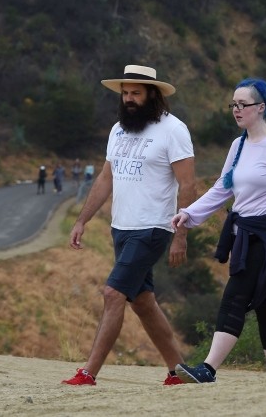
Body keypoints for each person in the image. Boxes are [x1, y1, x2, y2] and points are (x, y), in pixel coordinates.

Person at [62, 64, 196, 387]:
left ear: (153, 94)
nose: (129, 99)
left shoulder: (173, 130)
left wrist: (181, 235)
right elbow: (106, 178)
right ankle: (178, 372)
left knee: (113, 293)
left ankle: (88, 373)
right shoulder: (118, 130)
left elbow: (188, 186)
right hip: (121, 228)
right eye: (125, 93)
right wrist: (82, 219)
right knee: (143, 301)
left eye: (135, 93)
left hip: (153, 228)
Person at [171, 77, 266, 383]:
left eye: (243, 104)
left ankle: (207, 369)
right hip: (244, 234)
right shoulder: (238, 145)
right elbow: (223, 188)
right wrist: (189, 214)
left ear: (261, 108)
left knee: (236, 296)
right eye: (233, 104)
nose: (236, 109)